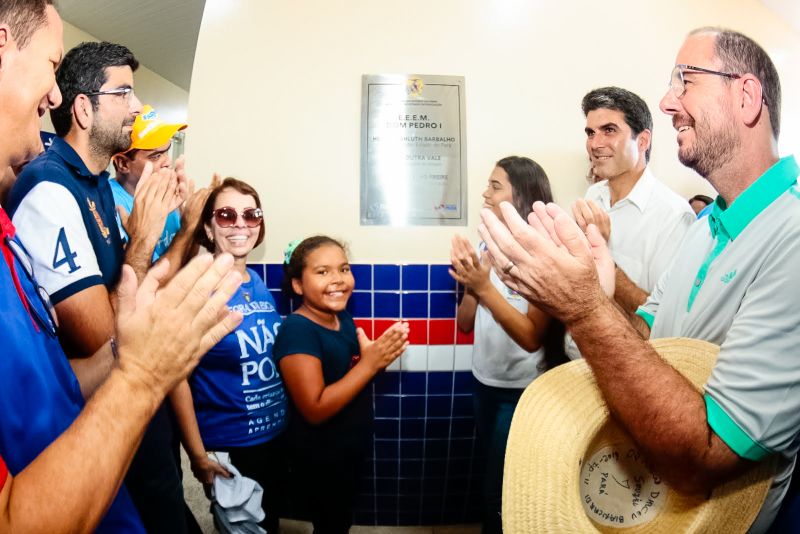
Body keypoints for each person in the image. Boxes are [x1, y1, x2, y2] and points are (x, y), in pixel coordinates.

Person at [478, 27, 798, 533]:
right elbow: (647, 338)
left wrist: (584, 307)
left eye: (686, 81)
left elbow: (704, 457)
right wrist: (595, 287)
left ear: (746, 96)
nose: (669, 102)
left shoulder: (792, 234)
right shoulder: (706, 228)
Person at [0, 2, 243, 532]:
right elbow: (99, 334)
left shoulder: (92, 186)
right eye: (124, 93)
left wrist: (177, 234)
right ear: (85, 111)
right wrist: (143, 243)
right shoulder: (50, 185)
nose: (138, 106)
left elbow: (136, 303)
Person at [449, 156, 566, 534]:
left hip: (522, 393)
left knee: (500, 494)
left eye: (495, 185)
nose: (485, 192)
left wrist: (484, 288)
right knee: (492, 478)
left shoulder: (541, 252)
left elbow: (532, 338)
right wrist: (472, 282)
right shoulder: (488, 245)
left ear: (522, 196)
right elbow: (464, 324)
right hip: (484, 384)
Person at [171, 177, 289, 534]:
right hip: (230, 447)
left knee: (269, 524)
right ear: (208, 226)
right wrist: (197, 455)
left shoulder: (256, 282)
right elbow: (176, 378)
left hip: (274, 438)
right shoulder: (198, 290)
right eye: (226, 215)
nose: (240, 224)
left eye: (251, 215)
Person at [274, 236, 409, 533]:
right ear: (297, 285)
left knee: (339, 520)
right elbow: (315, 408)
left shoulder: (340, 317)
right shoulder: (297, 330)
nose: (337, 280)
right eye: (322, 272)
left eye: (344, 269)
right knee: (331, 525)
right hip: (322, 456)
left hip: (348, 447)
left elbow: (348, 376)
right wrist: (369, 364)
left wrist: (377, 361)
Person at [570, 87, 695, 338]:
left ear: (643, 140)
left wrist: (604, 255)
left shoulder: (673, 216)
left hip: (628, 364)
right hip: (578, 353)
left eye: (609, 130)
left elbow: (665, 321)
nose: (595, 144)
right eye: (590, 133)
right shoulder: (594, 195)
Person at [111, 104, 186, 261]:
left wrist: (188, 216)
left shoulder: (168, 195)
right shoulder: (108, 203)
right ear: (122, 164)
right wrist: (190, 228)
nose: (167, 162)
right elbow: (141, 278)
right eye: (156, 156)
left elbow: (184, 260)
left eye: (167, 151)